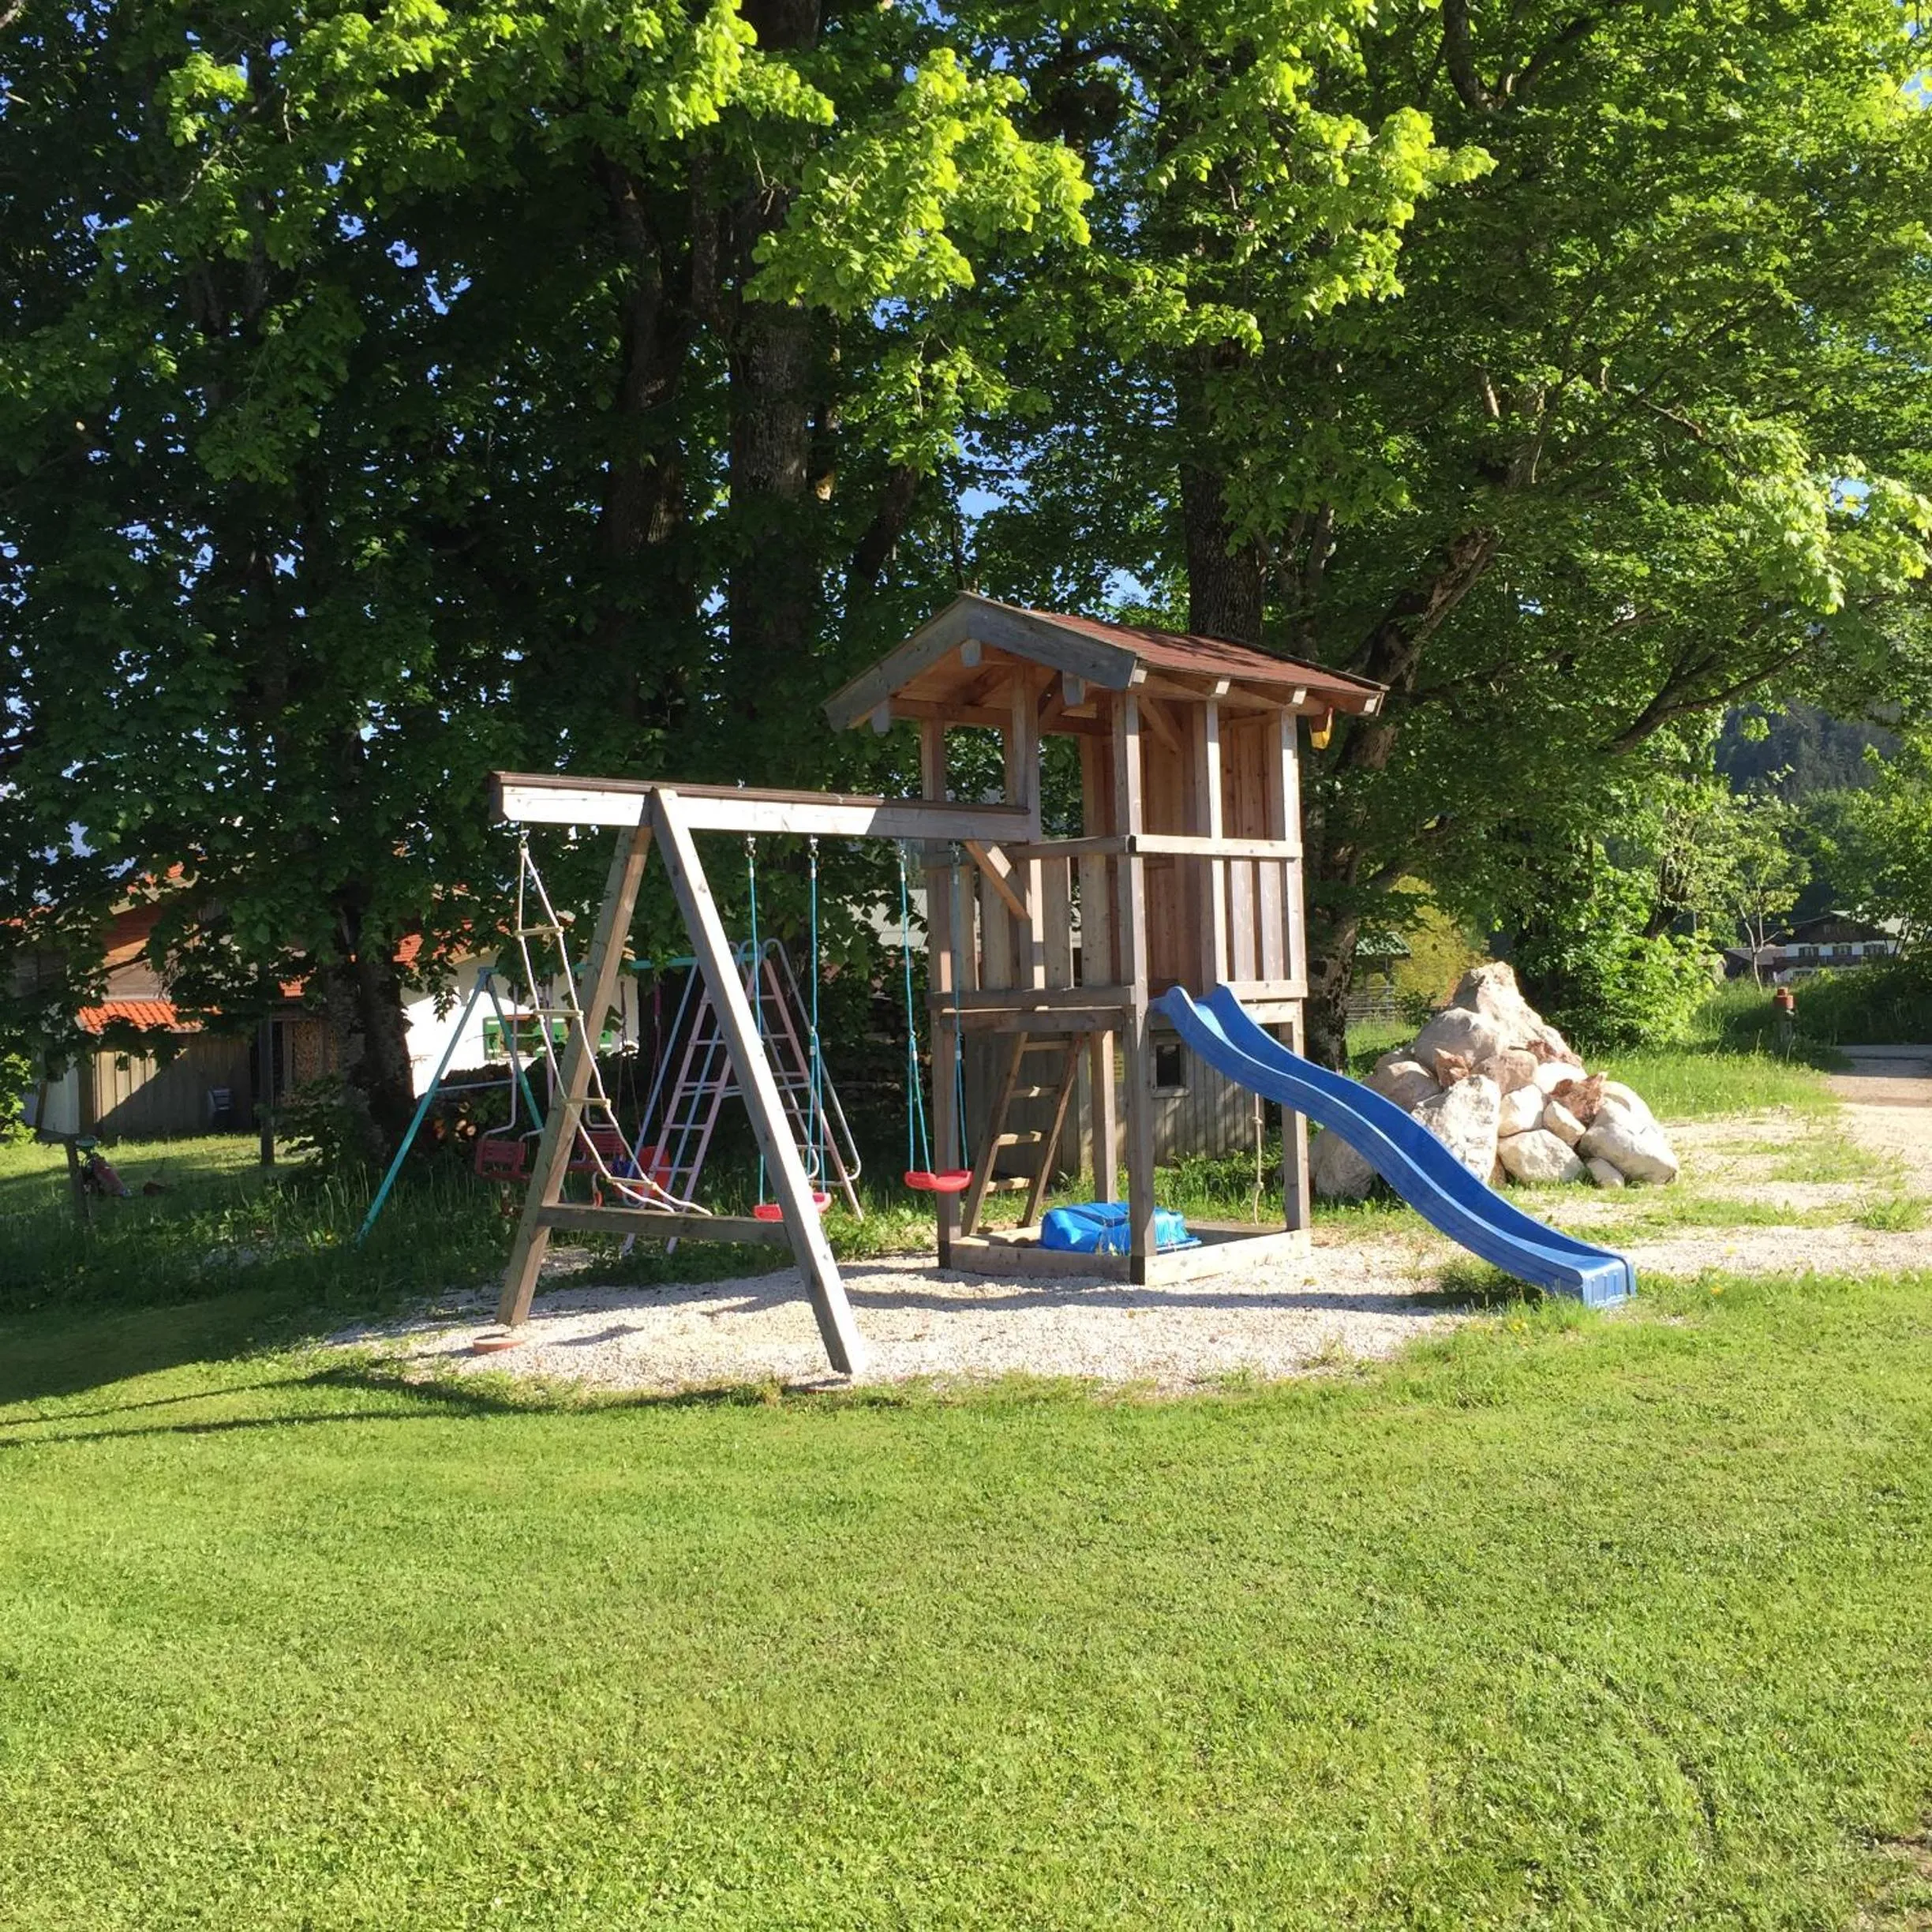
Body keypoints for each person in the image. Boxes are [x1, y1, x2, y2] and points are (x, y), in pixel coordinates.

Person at [1771, 983, 1797, 1056]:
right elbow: (1791, 1013)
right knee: (1785, 1036)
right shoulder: (1786, 1003)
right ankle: (1786, 1051)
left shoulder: (1777, 1001)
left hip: (1779, 1021)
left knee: (1779, 1036)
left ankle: (1780, 1050)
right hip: (1785, 1022)